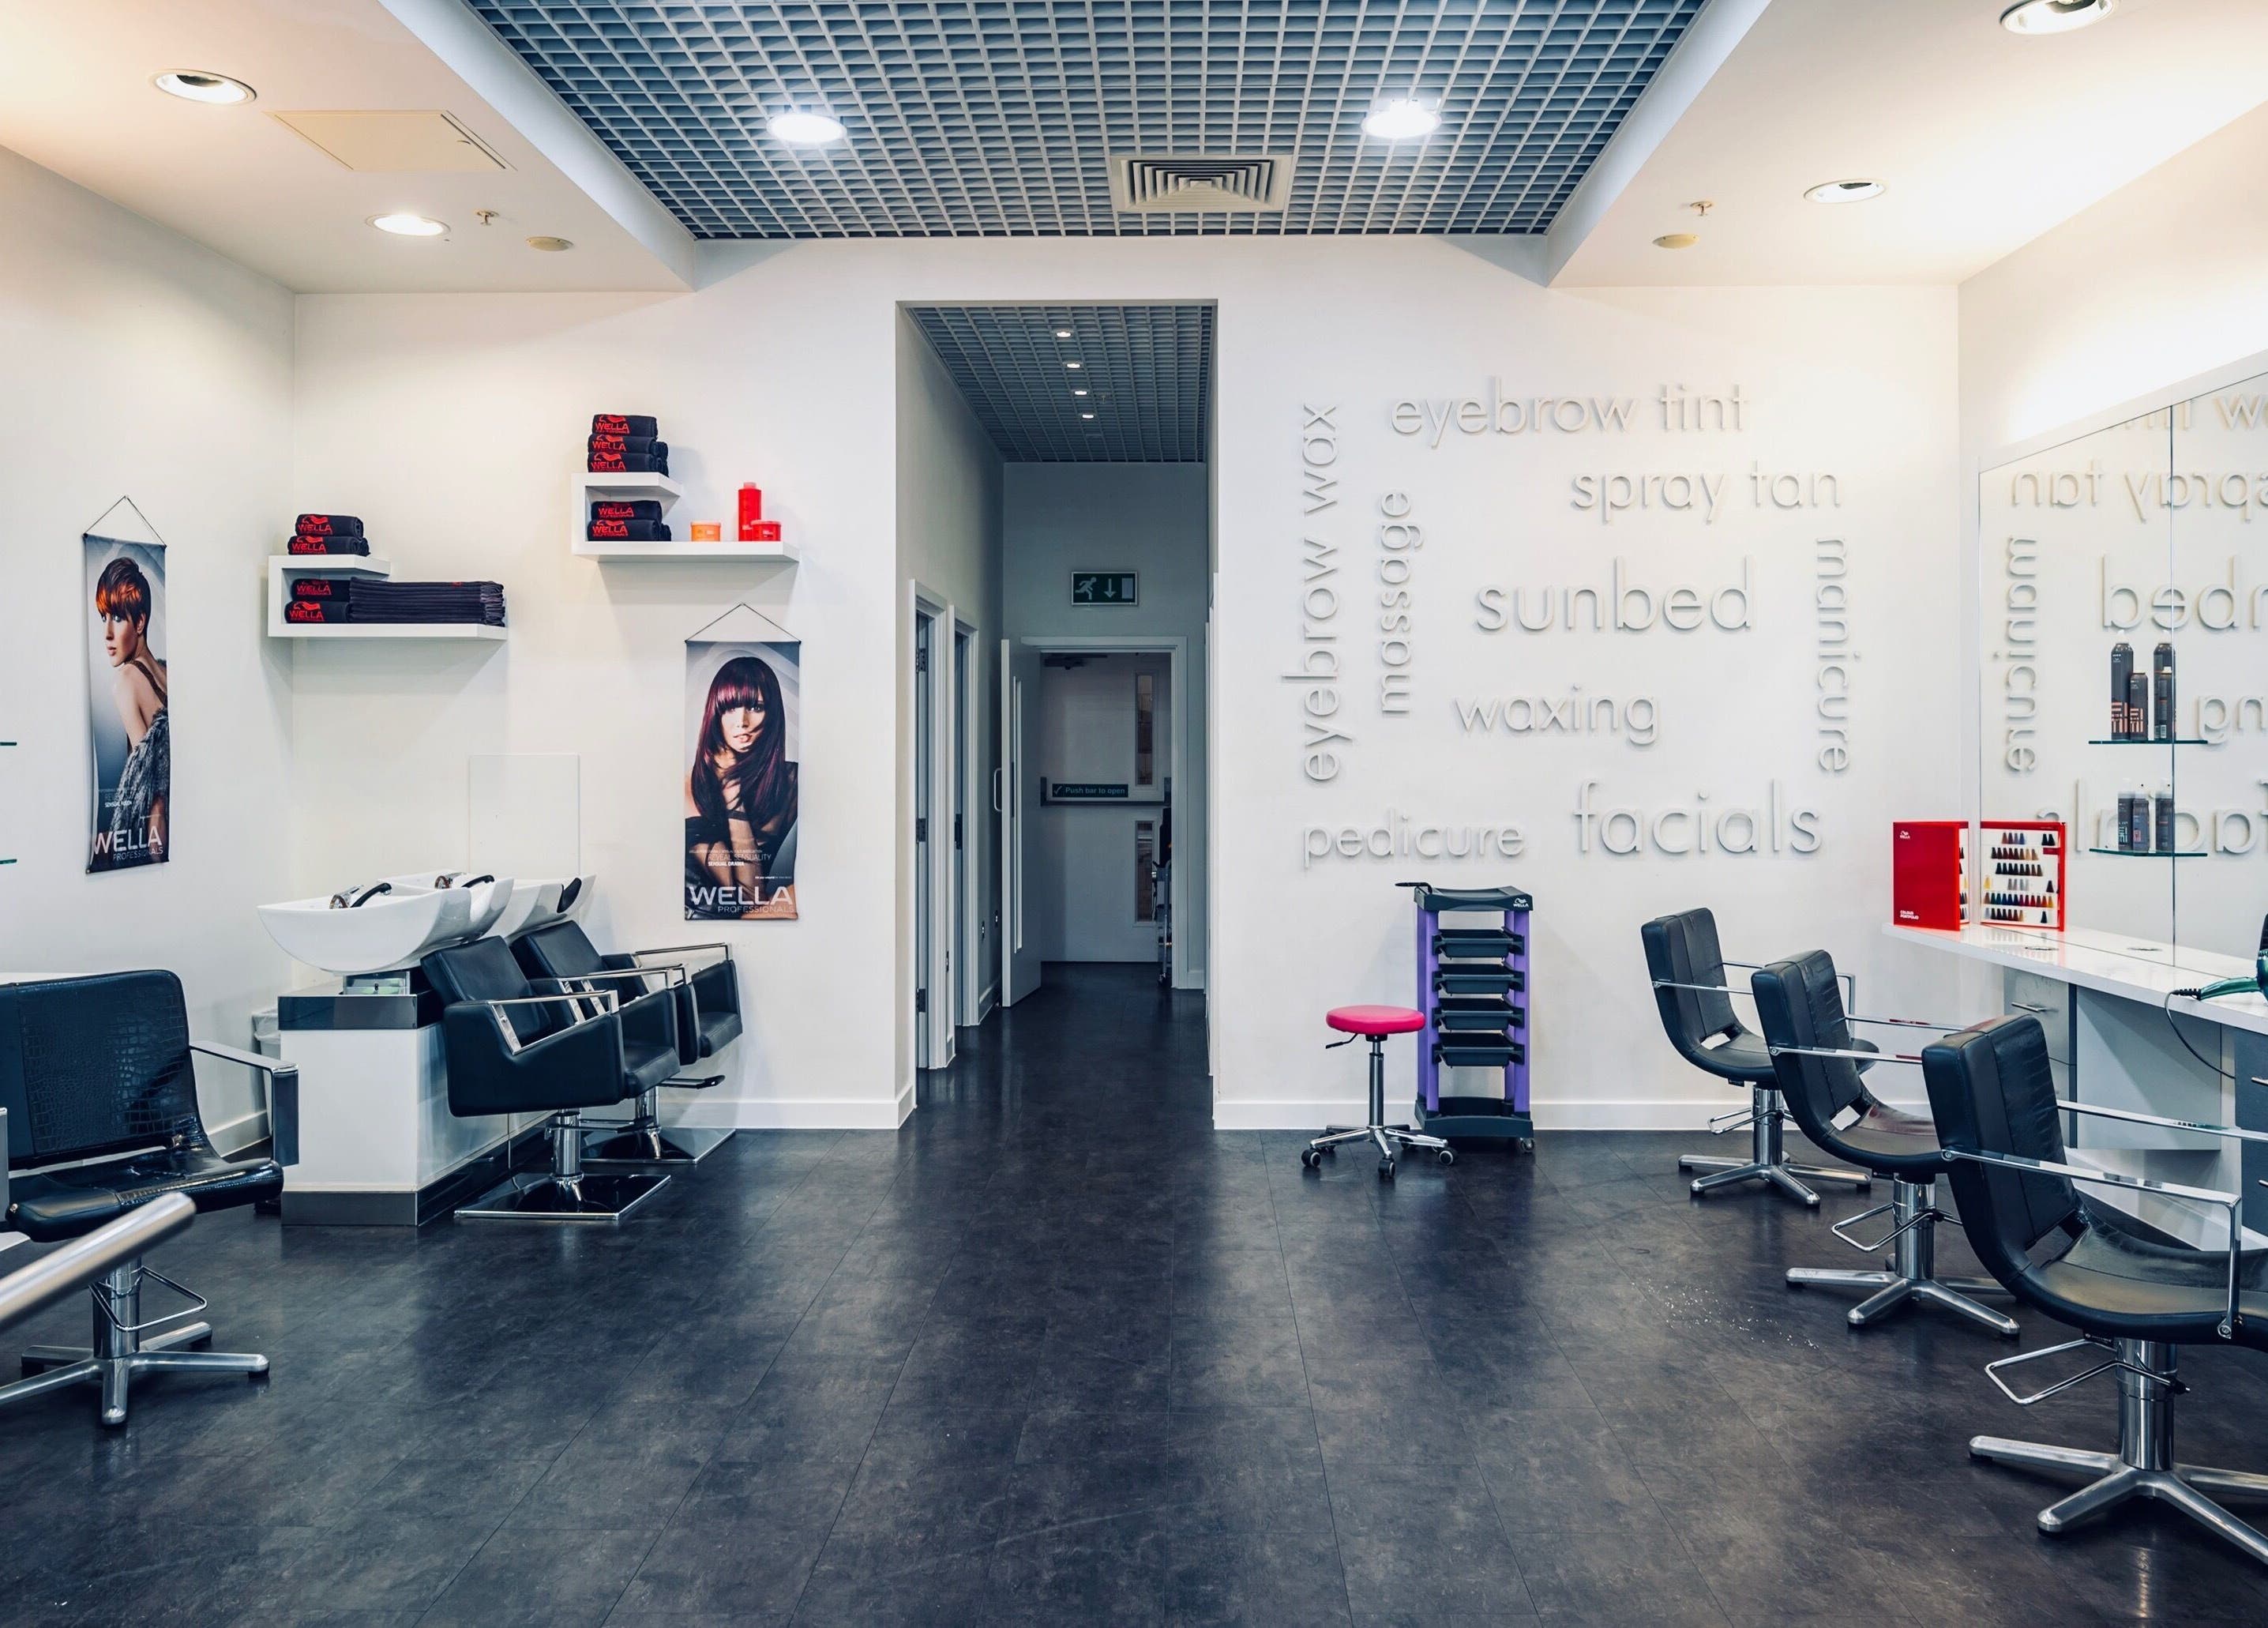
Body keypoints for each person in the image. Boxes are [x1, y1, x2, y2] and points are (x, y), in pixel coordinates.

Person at [685, 654, 798, 919]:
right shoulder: (692, 786)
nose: (742, 722)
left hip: (757, 922)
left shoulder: (791, 781)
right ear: (715, 714)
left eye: (756, 708)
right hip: (698, 922)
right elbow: (747, 897)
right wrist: (731, 786)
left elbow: (753, 898)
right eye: (730, 708)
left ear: (772, 714)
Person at [95, 555, 167, 867]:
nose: (108, 634)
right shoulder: (169, 672)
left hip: (152, 837)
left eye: (118, 618)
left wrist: (154, 856)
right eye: (104, 618)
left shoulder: (126, 681)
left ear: (140, 622)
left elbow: (149, 785)